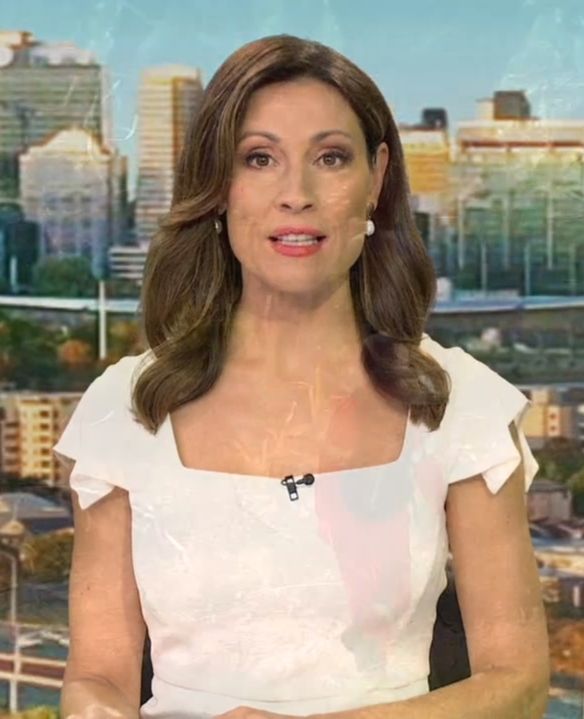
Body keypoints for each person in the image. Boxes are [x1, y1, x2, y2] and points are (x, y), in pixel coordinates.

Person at [55, 34, 550, 719]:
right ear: (218, 187)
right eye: (259, 159)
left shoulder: (459, 405)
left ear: (376, 178)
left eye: (331, 158)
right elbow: (97, 677)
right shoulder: (126, 408)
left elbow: (518, 684)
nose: (297, 195)